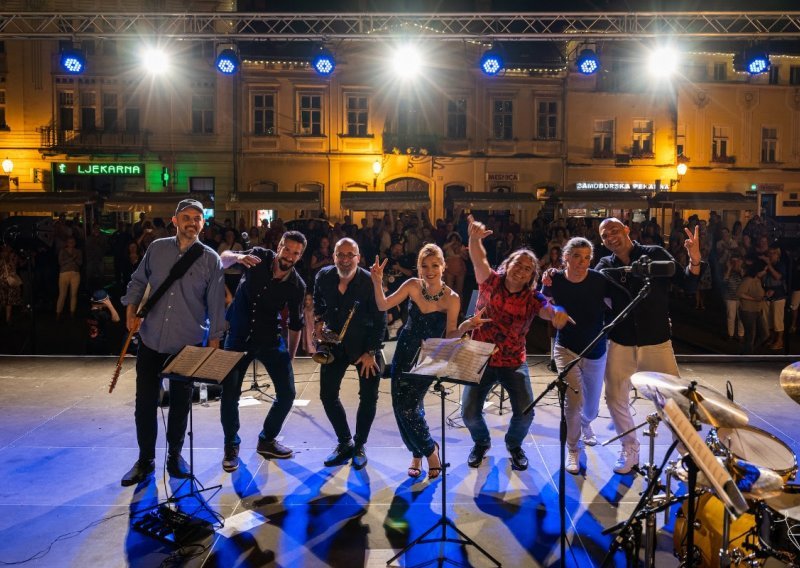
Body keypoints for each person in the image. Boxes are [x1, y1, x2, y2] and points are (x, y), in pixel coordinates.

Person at [119, 199, 226, 487]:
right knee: (145, 403)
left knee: (180, 404)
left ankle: (175, 456)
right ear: (175, 221)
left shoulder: (210, 259)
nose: (192, 222)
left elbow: (216, 304)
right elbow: (138, 281)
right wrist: (130, 311)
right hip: (152, 338)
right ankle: (145, 460)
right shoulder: (157, 249)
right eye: (186, 217)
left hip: (187, 343)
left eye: (198, 218)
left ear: (203, 224)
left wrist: (214, 343)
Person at [462, 215, 572, 471]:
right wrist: (474, 238)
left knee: (525, 412)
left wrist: (558, 312)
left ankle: (514, 445)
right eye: (518, 264)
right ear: (508, 264)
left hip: (512, 361)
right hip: (481, 357)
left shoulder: (532, 297)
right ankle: (481, 442)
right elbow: (479, 258)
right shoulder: (490, 282)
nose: (521, 270)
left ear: (531, 275)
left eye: (527, 269)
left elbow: (548, 308)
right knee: (468, 413)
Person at [594, 217, 702, 474]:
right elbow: (587, 291)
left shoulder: (653, 253)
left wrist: (695, 259)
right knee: (614, 397)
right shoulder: (605, 266)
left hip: (656, 343)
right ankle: (630, 449)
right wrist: (555, 276)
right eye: (605, 235)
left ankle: (689, 456)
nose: (611, 237)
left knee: (672, 402)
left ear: (627, 230)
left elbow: (688, 282)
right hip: (621, 343)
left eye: (615, 230)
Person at [371, 244, 487, 479]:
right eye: (425, 266)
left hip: (431, 355)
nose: (430, 270)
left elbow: (451, 334)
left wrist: (466, 326)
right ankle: (417, 453)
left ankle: (430, 451)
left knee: (409, 406)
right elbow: (383, 304)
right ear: (419, 268)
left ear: (443, 267)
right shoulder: (413, 285)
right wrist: (376, 280)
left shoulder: (452, 298)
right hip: (405, 350)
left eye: (435, 265)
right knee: (399, 405)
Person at [218, 231, 307, 472]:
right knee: (229, 394)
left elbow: (297, 323)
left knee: (287, 393)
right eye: (287, 249)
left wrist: (289, 357)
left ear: (300, 256)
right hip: (238, 335)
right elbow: (222, 259)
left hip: (269, 338)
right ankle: (231, 445)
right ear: (279, 246)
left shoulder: (297, 285)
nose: (289, 256)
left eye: (295, 253)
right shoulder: (258, 256)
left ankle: (267, 439)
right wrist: (236, 257)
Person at [313, 237, 386, 470]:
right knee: (327, 395)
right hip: (334, 345)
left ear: (358, 257)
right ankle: (345, 441)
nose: (345, 260)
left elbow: (380, 318)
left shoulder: (369, 281)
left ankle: (360, 445)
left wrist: (371, 352)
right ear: (334, 256)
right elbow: (318, 303)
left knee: (368, 397)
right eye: (340, 255)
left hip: (365, 347)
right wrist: (317, 321)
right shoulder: (323, 276)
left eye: (349, 255)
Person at [86, 289, 120, 355]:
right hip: (101, 346)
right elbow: (117, 319)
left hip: (90, 344)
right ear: (103, 302)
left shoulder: (88, 312)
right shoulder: (102, 314)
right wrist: (110, 305)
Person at [56, 237, 82, 320]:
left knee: (73, 294)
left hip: (75, 274)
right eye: (69, 242)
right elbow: (61, 263)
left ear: (75, 243)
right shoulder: (62, 251)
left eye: (73, 242)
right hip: (64, 274)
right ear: (67, 243)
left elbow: (80, 263)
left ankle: (72, 313)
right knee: (62, 294)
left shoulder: (78, 251)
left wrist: (73, 259)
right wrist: (72, 258)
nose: (71, 244)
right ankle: (58, 313)